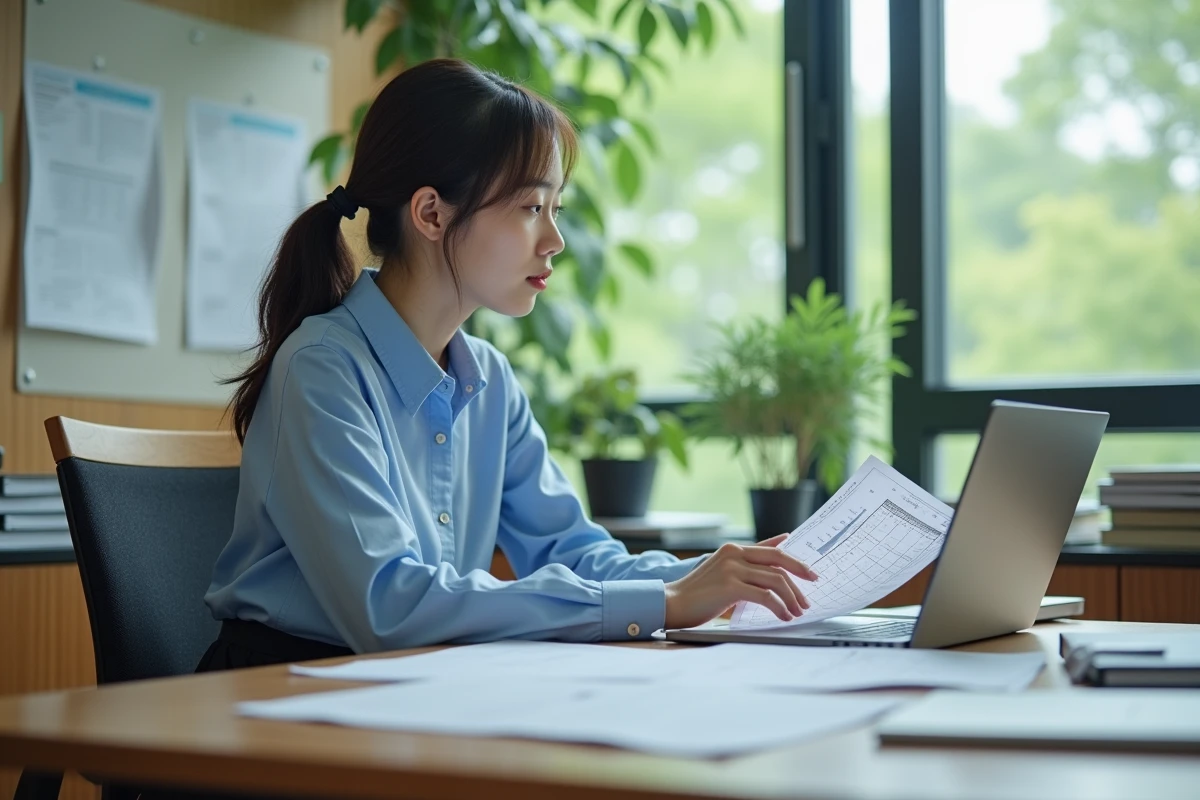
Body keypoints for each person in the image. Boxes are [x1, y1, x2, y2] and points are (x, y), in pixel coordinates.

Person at [197, 58, 818, 672]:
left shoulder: (489, 380)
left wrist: (724, 576)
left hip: (409, 688)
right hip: (282, 692)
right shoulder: (322, 368)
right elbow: (389, 607)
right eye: (530, 208)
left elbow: (573, 552)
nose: (555, 241)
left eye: (556, 210)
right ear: (432, 214)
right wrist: (666, 601)